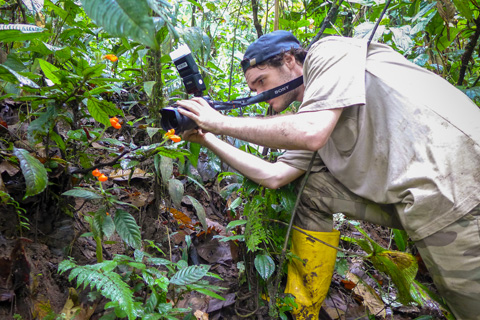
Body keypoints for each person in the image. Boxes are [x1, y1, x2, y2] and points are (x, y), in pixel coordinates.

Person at [175, 30, 480, 320]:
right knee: (311, 189)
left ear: (290, 60)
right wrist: (207, 138)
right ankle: (303, 310)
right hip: (419, 199)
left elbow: (310, 132)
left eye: (261, 81)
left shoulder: (327, 53)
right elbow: (274, 175)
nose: (259, 94)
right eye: (253, 89)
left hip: (457, 184)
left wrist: (219, 122)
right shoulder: (318, 111)